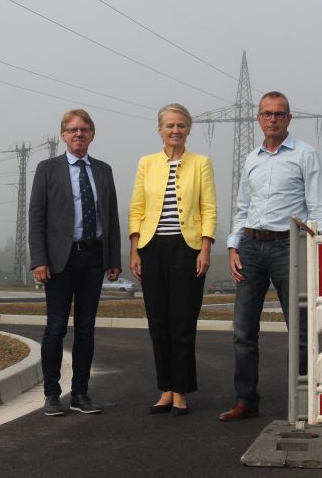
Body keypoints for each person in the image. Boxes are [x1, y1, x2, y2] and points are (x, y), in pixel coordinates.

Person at [219, 91, 322, 422]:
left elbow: (318, 208)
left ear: (289, 119)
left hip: (288, 247)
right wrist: (233, 245)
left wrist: (315, 250)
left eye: (279, 114)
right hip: (251, 246)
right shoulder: (251, 159)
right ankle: (245, 400)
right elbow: (242, 207)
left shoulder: (305, 155)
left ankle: (304, 399)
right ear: (258, 118)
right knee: (243, 330)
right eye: (266, 113)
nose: (272, 118)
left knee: (299, 328)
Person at [29, 108, 121, 417]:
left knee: (86, 328)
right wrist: (38, 260)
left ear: (93, 134)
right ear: (63, 135)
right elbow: (36, 218)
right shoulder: (48, 169)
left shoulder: (103, 170)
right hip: (59, 260)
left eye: (84, 129)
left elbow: (111, 217)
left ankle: (80, 393)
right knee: (56, 327)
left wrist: (113, 258)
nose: (78, 134)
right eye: (72, 129)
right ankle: (52, 394)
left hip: (93, 257)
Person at [129, 103, 217, 416]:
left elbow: (208, 208)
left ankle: (181, 391)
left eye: (181, 125)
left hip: (187, 248)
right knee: (158, 322)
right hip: (152, 248)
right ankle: (165, 389)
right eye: (169, 126)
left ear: (188, 129)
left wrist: (205, 247)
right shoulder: (146, 164)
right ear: (160, 130)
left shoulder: (201, 163)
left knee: (183, 321)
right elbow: (137, 208)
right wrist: (135, 248)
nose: (175, 131)